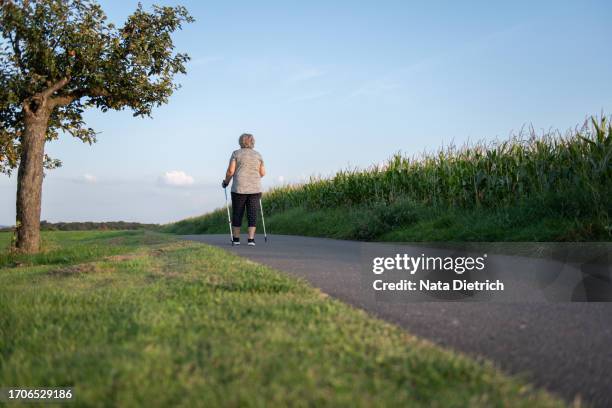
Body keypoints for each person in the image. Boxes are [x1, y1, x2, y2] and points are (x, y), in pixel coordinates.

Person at [222, 133, 266, 246]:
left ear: (240, 142)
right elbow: (262, 173)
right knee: (252, 213)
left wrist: (226, 182)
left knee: (237, 213)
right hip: (255, 189)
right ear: (253, 142)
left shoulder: (236, 153)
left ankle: (236, 239)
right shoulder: (258, 155)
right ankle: (251, 240)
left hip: (239, 188)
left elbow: (230, 171)